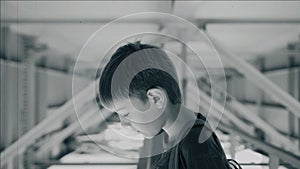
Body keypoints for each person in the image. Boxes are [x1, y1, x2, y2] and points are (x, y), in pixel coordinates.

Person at [98, 41, 230, 169]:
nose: (124, 124)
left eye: (126, 114)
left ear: (156, 98)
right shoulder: (175, 140)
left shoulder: (196, 144)